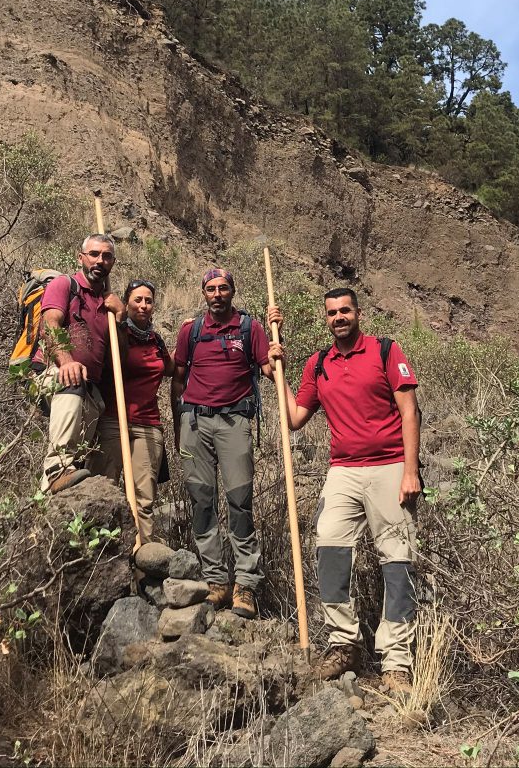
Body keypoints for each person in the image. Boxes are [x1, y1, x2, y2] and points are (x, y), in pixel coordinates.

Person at [268, 287, 422, 693]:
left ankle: (396, 662)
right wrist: (277, 375)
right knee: (329, 544)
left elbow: (410, 411)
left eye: (345, 311)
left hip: (390, 468)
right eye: (332, 313)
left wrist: (411, 472)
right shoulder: (318, 364)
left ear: (358, 313)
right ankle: (343, 643)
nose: (339, 317)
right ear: (326, 319)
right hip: (344, 471)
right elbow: (296, 418)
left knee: (397, 559)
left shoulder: (386, 351)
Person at [171, 268, 275, 619]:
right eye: (211, 289)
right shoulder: (191, 330)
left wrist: (277, 352)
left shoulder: (251, 328)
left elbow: (269, 369)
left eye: (223, 288)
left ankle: (245, 584)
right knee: (202, 501)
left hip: (234, 422)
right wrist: (178, 424)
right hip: (195, 422)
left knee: (239, 501)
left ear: (232, 291)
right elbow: (179, 377)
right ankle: (217, 581)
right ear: (203, 293)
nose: (217, 294)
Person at [34, 234, 124, 494]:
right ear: (80, 257)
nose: (100, 260)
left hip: (90, 389)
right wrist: (67, 362)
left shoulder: (108, 303)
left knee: (78, 465)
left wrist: (119, 316)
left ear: (113, 263)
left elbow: (118, 356)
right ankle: (56, 469)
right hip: (55, 374)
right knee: (71, 384)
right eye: (94, 254)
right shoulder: (65, 285)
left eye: (106, 256)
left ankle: (51, 500)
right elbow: (49, 325)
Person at [90, 279, 175, 544]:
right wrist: (116, 318)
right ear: (127, 302)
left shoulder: (156, 341)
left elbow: (172, 368)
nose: (143, 305)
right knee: (103, 492)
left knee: (144, 499)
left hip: (149, 424)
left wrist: (186, 335)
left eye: (148, 301)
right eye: (137, 299)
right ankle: (101, 558)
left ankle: (144, 558)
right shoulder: (115, 333)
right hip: (113, 421)